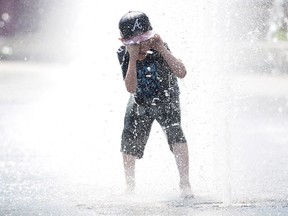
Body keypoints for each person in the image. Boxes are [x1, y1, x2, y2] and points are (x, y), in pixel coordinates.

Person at [116, 11, 194, 198]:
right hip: (139, 98)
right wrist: (133, 58)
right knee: (128, 139)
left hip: (166, 97)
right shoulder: (124, 54)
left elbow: (181, 72)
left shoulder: (160, 47)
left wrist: (162, 49)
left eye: (144, 40)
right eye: (134, 43)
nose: (141, 46)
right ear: (124, 42)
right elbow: (130, 87)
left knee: (176, 133)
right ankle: (129, 185)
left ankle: (185, 183)